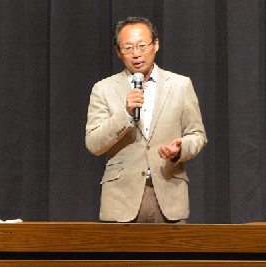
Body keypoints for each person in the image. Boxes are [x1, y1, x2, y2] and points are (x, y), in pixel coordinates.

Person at [85, 17, 207, 223]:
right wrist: (125, 115)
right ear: (118, 51)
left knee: (171, 256)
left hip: (168, 196)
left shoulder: (180, 85)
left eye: (142, 46)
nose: (136, 54)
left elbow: (198, 135)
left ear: (156, 44)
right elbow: (94, 143)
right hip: (121, 200)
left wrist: (180, 149)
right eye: (128, 48)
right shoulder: (103, 89)